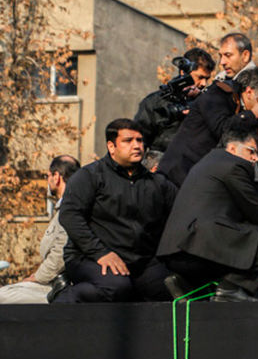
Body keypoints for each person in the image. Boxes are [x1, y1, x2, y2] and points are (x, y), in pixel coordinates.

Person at [157, 124, 258, 302]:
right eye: (251, 151)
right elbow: (254, 208)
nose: (255, 158)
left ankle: (185, 283)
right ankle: (232, 288)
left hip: (175, 248)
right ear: (232, 148)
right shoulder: (234, 165)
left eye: (257, 153)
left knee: (243, 240)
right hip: (198, 245)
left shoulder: (207, 162)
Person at [54, 119, 176, 303]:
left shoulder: (157, 183)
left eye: (140, 140)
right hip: (90, 258)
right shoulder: (90, 176)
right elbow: (70, 216)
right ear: (111, 146)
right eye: (128, 141)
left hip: (140, 262)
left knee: (173, 288)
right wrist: (100, 253)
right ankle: (64, 295)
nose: (137, 145)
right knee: (117, 287)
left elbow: (180, 216)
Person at [157, 67, 258, 188]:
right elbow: (222, 129)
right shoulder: (219, 94)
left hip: (203, 178)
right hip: (179, 171)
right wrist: (252, 114)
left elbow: (253, 150)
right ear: (249, 92)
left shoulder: (249, 113)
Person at [0, 155, 79, 304]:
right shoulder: (65, 207)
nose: (47, 181)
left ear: (56, 177)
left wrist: (36, 277)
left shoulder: (70, 209)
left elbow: (60, 255)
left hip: (57, 288)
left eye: (47, 176)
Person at [134, 48, 217, 160]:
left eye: (207, 79)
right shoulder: (154, 102)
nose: (203, 84)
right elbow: (138, 142)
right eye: (200, 77)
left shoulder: (206, 105)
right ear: (183, 71)